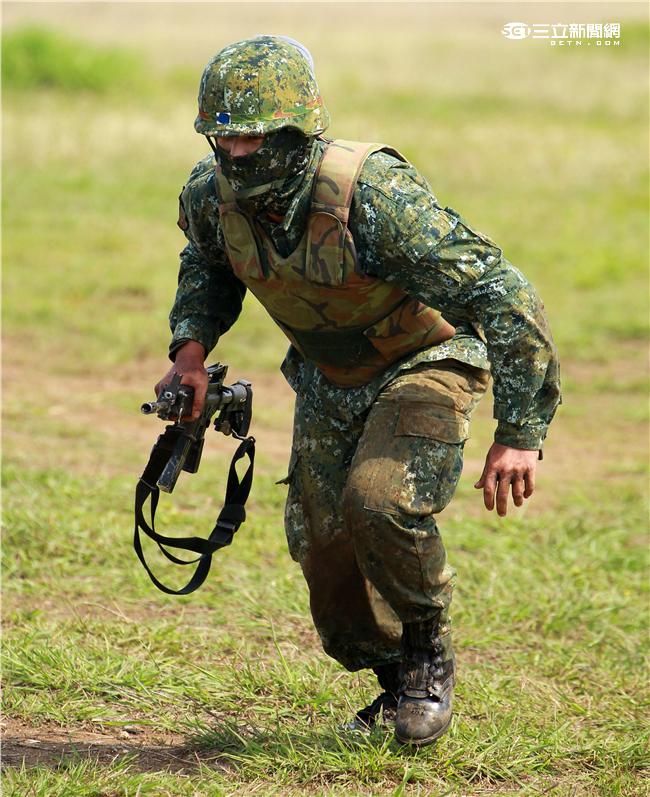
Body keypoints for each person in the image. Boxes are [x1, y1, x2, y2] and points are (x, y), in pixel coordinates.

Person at [154, 35, 561, 747]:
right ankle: (395, 673)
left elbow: (503, 291)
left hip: (426, 357)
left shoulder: (371, 194)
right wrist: (189, 355)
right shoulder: (211, 196)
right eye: (225, 137)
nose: (238, 153)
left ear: (295, 129)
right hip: (328, 374)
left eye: (254, 136)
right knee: (325, 548)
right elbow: (209, 267)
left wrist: (521, 432)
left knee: (379, 500)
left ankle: (428, 654)